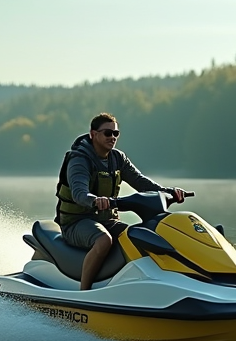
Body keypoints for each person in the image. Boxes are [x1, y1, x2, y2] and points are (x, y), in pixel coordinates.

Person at [54, 112, 185, 290]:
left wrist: (168, 192)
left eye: (116, 133)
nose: (113, 137)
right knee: (103, 241)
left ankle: (147, 284)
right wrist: (94, 200)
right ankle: (84, 292)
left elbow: (141, 182)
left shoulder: (118, 158)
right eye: (108, 133)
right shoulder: (79, 160)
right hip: (76, 222)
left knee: (139, 236)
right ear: (93, 134)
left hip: (107, 220)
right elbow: (79, 192)